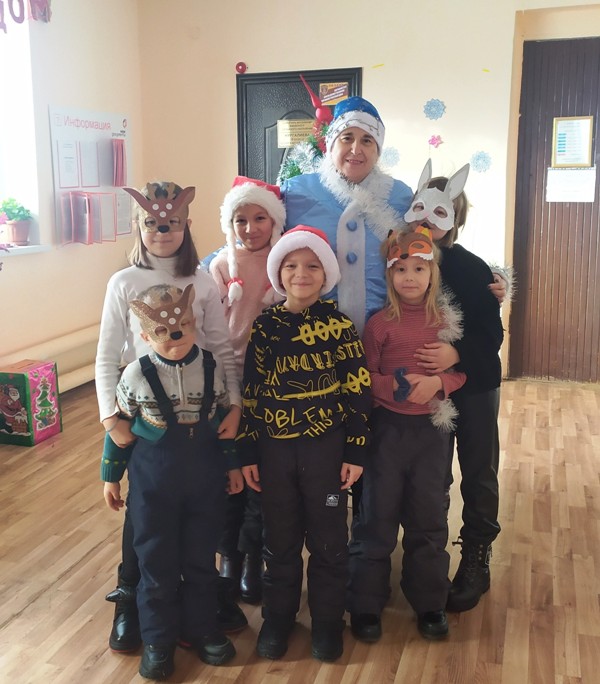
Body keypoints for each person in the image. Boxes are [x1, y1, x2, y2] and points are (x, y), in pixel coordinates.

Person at [95, 181, 246, 654]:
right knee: (145, 518)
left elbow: (220, 347)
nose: (162, 232)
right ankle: (131, 600)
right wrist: (109, 418)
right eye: (152, 224)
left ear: (186, 225)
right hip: (144, 415)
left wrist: (235, 403)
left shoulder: (202, 280)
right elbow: (106, 355)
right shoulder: (123, 283)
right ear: (139, 226)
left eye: (172, 224)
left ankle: (199, 603)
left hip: (197, 415)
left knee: (199, 514)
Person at [237, 226, 372, 662]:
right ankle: (278, 617)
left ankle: (328, 621)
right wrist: (247, 451)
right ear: (278, 273)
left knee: (330, 538)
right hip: (275, 454)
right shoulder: (265, 327)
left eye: (313, 265)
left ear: (326, 274)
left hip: (325, 456)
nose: (302, 273)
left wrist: (355, 450)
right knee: (279, 538)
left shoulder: (340, 327)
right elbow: (252, 391)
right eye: (292, 265)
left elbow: (357, 390)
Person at [101, 283, 241, 680]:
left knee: (201, 558)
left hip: (204, 479)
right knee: (156, 563)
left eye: (183, 326)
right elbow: (119, 430)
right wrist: (111, 477)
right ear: (145, 337)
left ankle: (203, 629)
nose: (175, 337)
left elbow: (223, 423)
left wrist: (232, 466)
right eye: (162, 331)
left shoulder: (212, 368)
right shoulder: (135, 375)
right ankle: (158, 640)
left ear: (194, 323)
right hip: (153, 484)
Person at [348, 228, 466, 642]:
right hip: (387, 433)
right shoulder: (379, 325)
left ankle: (430, 600)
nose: (410, 277)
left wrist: (439, 384)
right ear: (389, 274)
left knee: (428, 516)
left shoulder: (446, 323)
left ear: (433, 273)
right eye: (401, 270)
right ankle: (365, 602)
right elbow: (364, 376)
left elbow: (462, 372)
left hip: (432, 434)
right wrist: (391, 386)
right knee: (376, 517)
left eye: (419, 268)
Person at [404, 160, 505, 612]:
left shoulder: (471, 268)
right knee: (433, 474)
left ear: (455, 219)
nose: (428, 222)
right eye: (421, 211)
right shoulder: (403, 262)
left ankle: (477, 555)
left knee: (479, 470)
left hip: (475, 386)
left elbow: (491, 334)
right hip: (427, 388)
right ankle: (428, 557)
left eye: (440, 213)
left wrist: (456, 353)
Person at [209, 176, 286, 604]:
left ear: (273, 221)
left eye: (260, 218)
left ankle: (254, 555)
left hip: (271, 385)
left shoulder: (285, 263)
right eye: (241, 219)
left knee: (261, 476)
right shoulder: (222, 266)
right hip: (228, 382)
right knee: (230, 471)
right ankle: (229, 557)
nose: (250, 228)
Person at [281, 95, 414, 336]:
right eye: (347, 138)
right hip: (311, 337)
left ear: (377, 150)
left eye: (367, 140)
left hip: (384, 335)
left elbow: (430, 250)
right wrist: (211, 268)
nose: (356, 149)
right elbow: (251, 237)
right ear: (332, 144)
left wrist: (482, 275)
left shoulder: (400, 196)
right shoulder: (296, 191)